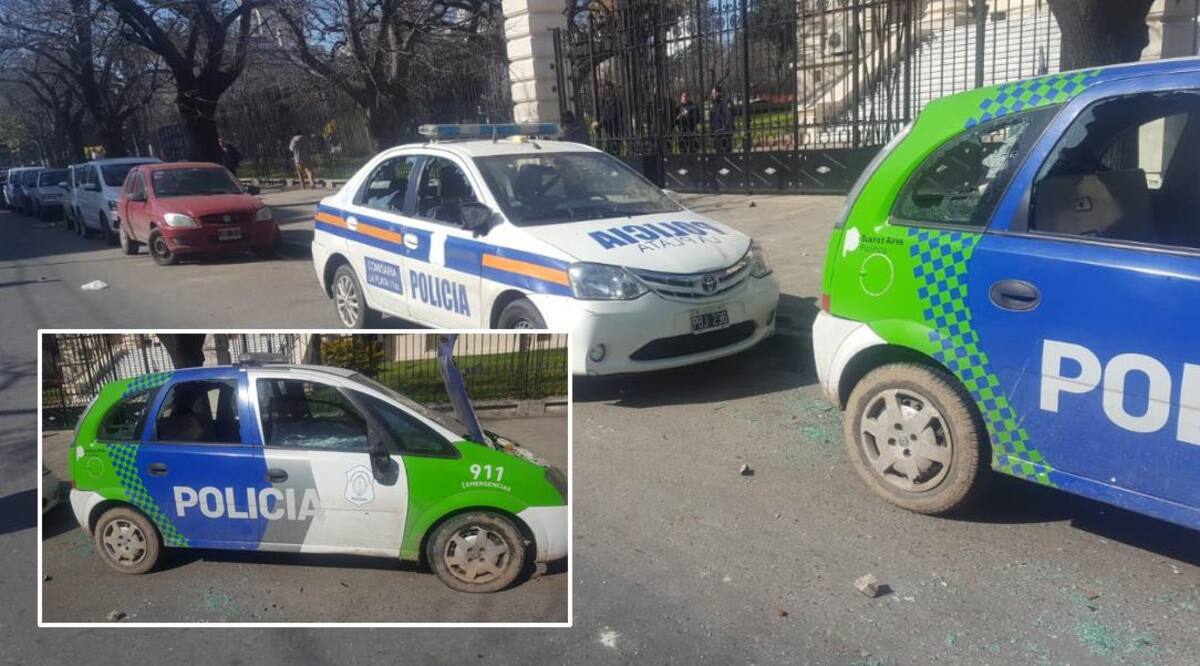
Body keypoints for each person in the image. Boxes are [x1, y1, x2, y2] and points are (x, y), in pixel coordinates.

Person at [591, 81, 624, 155]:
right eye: (605, 89)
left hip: (614, 131)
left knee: (614, 152)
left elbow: (611, 115)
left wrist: (599, 123)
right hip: (604, 130)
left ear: (612, 90)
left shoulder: (616, 101)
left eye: (609, 89)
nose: (607, 91)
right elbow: (601, 114)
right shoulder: (602, 101)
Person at [710, 86, 735, 153]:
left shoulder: (726, 101)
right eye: (712, 93)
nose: (713, 95)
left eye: (714, 93)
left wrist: (724, 128)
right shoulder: (715, 103)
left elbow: (729, 116)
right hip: (716, 132)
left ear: (719, 92)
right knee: (718, 152)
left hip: (724, 132)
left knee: (726, 152)